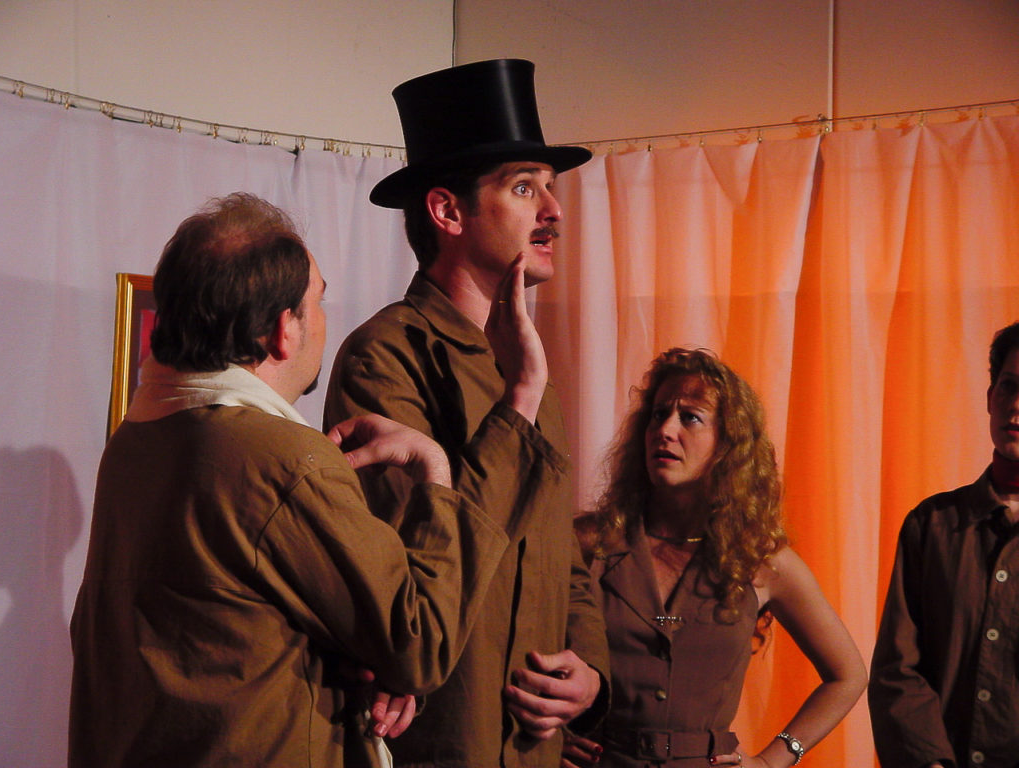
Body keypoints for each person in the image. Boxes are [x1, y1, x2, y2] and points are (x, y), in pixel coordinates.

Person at [68, 192, 565, 768]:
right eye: (318, 302)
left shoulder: (136, 443)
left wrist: (354, 657)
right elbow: (419, 642)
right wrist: (438, 464)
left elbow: (231, 631)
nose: (323, 320)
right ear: (284, 330)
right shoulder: (282, 458)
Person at [324, 58, 610, 767]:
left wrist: (590, 673)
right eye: (524, 187)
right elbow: (418, 568)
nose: (554, 211)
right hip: (448, 743)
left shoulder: (523, 365)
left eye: (550, 187)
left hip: (536, 748)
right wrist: (519, 401)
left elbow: (562, 554)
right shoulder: (385, 357)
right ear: (448, 212)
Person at [563, 348, 867, 767]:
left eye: (690, 417)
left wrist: (774, 760)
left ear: (728, 444)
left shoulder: (760, 560)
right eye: (658, 414)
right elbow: (512, 645)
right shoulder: (588, 542)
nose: (665, 430)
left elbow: (849, 675)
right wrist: (551, 735)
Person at [869, 322, 1019, 767]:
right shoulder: (932, 525)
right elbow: (898, 668)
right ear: (990, 398)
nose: (1016, 405)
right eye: (1009, 386)